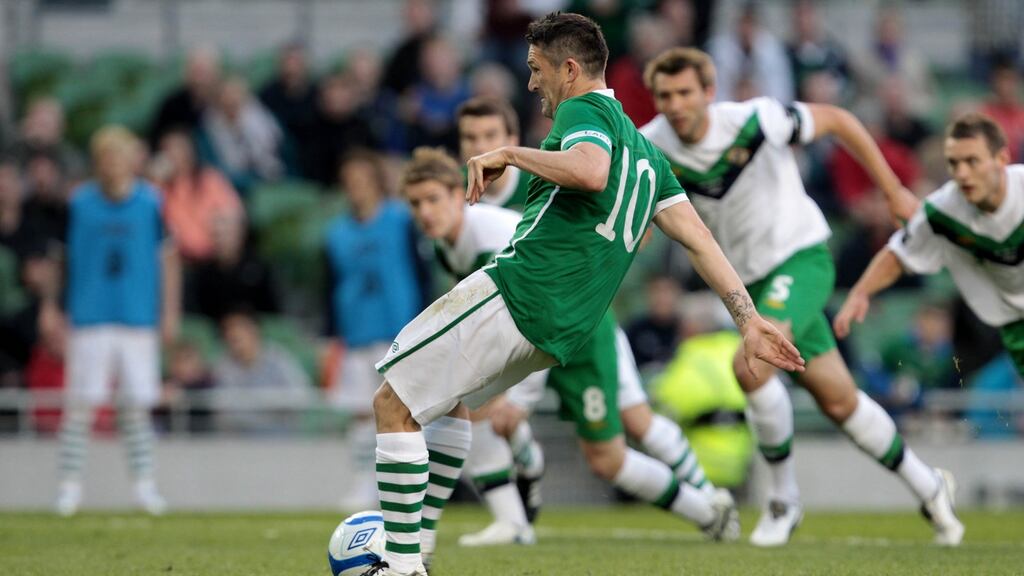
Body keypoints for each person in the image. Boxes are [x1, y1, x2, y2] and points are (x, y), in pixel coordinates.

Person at [367, 13, 804, 576]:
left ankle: (401, 566)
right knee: (448, 404)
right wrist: (747, 319)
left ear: (569, 70)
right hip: (562, 331)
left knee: (391, 403)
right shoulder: (648, 157)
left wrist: (510, 152)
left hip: (522, 291)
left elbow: (591, 170)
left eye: (536, 69)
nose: (531, 84)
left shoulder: (584, 110)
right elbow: (700, 239)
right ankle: (419, 548)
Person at [639, 47, 961, 547]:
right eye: (665, 96)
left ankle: (782, 500)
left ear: (708, 91)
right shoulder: (651, 145)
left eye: (685, 92)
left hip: (801, 258)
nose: (676, 104)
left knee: (750, 366)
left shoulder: (756, 119)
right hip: (749, 285)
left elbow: (836, 120)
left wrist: (894, 190)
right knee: (839, 401)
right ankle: (930, 485)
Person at [400, 147, 721, 550]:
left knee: (609, 459)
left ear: (457, 192)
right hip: (546, 327)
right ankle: (512, 520)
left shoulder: (490, 234)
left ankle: (707, 510)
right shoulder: (445, 246)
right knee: (472, 403)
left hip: (578, 332)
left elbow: (541, 308)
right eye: (416, 204)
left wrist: (520, 398)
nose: (425, 212)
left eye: (434, 199)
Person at [835, 113, 1024, 381]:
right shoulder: (944, 210)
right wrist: (861, 293)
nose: (962, 174)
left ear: (1001, 160)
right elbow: (898, 254)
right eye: (954, 163)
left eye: (972, 162)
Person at [56, 126, 181, 517]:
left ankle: (144, 487)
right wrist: (55, 308)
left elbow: (168, 259)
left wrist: (169, 312)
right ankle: (69, 487)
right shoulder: (79, 203)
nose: (112, 163)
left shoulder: (150, 202)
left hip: (137, 317)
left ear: (131, 159)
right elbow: (62, 260)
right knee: (79, 405)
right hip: (90, 316)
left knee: (136, 408)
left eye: (118, 155)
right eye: (105, 156)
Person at [324, 149, 431, 511]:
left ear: (376, 183)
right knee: (358, 411)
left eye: (363, 181)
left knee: (404, 411)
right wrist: (333, 333)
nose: (357, 189)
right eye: (350, 184)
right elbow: (331, 286)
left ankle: (408, 485)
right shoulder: (336, 235)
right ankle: (361, 484)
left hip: (398, 332)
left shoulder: (401, 221)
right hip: (357, 332)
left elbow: (421, 273)